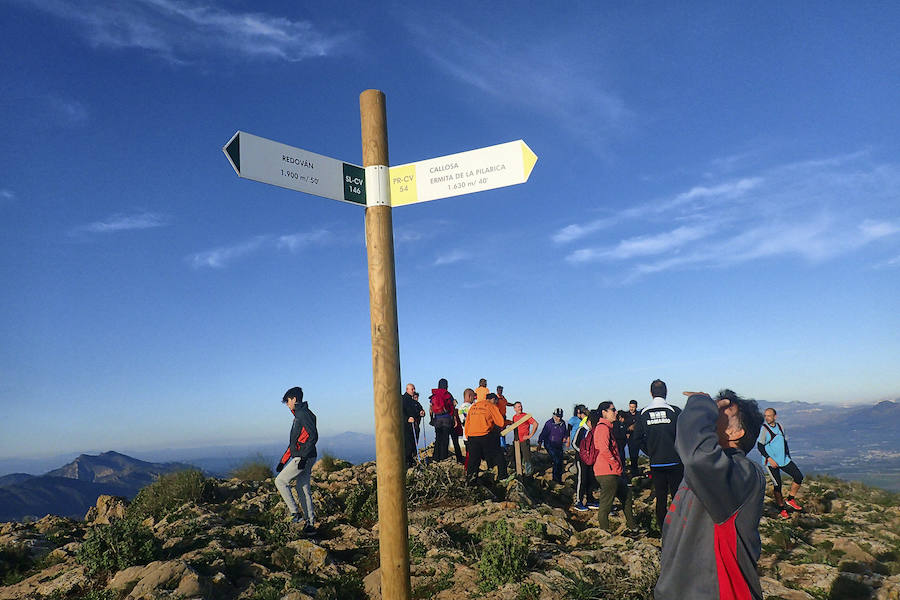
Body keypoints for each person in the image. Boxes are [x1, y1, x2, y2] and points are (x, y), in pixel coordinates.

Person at [655, 390, 765, 600]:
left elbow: (696, 454)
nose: (714, 410)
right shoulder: (703, 472)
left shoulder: (744, 473)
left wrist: (700, 404)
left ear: (736, 433)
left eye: (724, 410)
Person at [634, 379, 682, 534]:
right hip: (675, 461)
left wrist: (650, 450)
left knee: (661, 498)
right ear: (666, 392)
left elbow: (636, 438)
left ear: (651, 393)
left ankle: (663, 530)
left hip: (656, 462)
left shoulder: (644, 413)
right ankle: (680, 528)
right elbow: (684, 435)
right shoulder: (675, 411)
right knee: (678, 497)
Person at [275, 387, 318, 535]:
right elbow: (295, 442)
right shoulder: (301, 414)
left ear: (294, 399)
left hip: (303, 457)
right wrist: (283, 461)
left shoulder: (302, 414)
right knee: (302, 488)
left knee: (280, 481)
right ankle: (310, 524)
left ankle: (295, 513)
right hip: (307, 456)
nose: (287, 404)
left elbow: (313, 436)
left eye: (287, 401)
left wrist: (303, 458)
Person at [592, 404, 635, 532]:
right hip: (607, 472)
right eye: (613, 410)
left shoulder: (607, 427)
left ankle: (632, 526)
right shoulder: (602, 428)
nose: (616, 412)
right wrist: (615, 464)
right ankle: (604, 533)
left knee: (627, 495)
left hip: (611, 471)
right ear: (604, 412)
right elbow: (604, 449)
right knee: (606, 504)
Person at [757, 407, 805, 518]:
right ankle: (781, 508)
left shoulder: (780, 427)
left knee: (798, 476)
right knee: (777, 485)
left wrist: (788, 456)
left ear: (775, 416)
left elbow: (783, 442)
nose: (767, 418)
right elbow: (760, 446)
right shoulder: (764, 429)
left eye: (769, 416)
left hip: (784, 459)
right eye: (765, 416)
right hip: (771, 462)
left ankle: (790, 499)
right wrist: (769, 458)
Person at [464, 389, 508, 483]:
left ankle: (470, 481)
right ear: (493, 400)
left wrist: (467, 436)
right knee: (498, 454)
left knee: (473, 460)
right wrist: (507, 422)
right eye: (496, 402)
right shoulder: (491, 406)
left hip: (471, 436)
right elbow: (500, 422)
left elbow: (467, 422)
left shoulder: (474, 406)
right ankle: (502, 476)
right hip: (484, 434)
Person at [571, 405, 597, 511]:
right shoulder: (581, 430)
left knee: (590, 478)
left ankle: (590, 499)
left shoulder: (593, 431)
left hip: (590, 459)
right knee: (582, 479)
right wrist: (582, 453)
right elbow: (574, 443)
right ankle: (579, 501)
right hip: (581, 459)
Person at [537, 408, 569, 483]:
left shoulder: (563, 423)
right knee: (556, 460)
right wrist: (539, 443)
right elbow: (543, 434)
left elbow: (565, 432)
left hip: (559, 445)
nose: (559, 418)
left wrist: (565, 438)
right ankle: (555, 479)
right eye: (557, 416)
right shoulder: (549, 424)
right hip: (550, 445)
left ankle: (559, 479)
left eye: (560, 416)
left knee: (560, 462)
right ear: (554, 415)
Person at [429, 378, 456, 462]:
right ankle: (443, 456)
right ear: (446, 385)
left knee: (438, 438)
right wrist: (454, 419)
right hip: (446, 419)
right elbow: (452, 407)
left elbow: (431, 408)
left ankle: (436, 457)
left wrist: (431, 418)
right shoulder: (448, 394)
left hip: (437, 419)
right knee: (445, 438)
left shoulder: (434, 394)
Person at [511, 401, 538, 475]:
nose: (520, 408)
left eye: (521, 406)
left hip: (524, 440)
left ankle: (528, 474)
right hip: (516, 441)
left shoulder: (526, 416)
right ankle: (519, 473)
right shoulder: (514, 417)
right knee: (517, 457)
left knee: (527, 458)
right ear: (515, 409)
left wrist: (530, 435)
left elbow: (535, 424)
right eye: (518, 407)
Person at [402, 383, 425, 467]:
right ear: (407, 389)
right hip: (406, 427)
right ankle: (407, 462)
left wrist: (422, 412)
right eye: (412, 389)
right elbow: (399, 412)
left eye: (414, 389)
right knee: (408, 444)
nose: (414, 390)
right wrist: (407, 418)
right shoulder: (403, 399)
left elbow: (419, 409)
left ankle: (411, 460)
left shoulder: (414, 401)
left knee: (413, 444)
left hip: (414, 426)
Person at [624, 400, 641, 478]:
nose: (631, 408)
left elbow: (641, 423)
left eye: (633, 407)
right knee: (632, 455)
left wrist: (635, 425)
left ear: (636, 407)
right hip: (630, 438)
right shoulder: (626, 415)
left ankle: (635, 470)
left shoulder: (639, 414)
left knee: (636, 455)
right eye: (630, 407)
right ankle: (634, 471)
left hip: (638, 437)